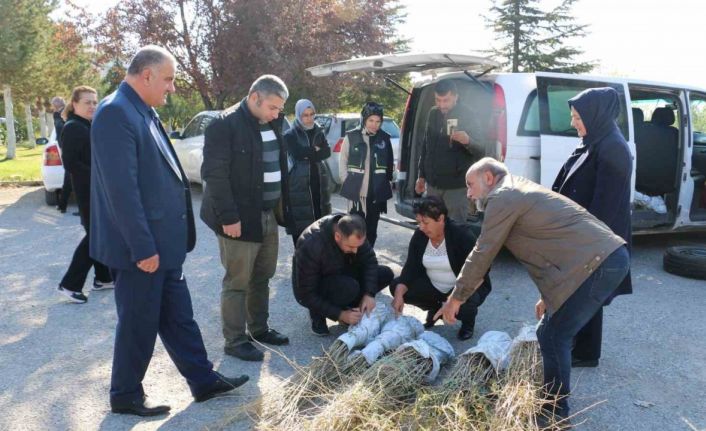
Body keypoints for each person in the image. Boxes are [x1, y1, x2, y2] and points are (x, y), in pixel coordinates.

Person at [90, 45, 248, 417]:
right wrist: (143, 248)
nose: (172, 88)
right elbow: (121, 192)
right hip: (142, 248)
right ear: (146, 75)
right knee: (138, 322)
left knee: (179, 316)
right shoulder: (116, 113)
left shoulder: (141, 109)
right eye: (168, 79)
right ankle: (125, 394)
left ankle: (203, 381)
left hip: (165, 244)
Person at [437, 158, 629, 423]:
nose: (469, 193)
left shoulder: (503, 197)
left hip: (599, 263)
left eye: (471, 185)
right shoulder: (516, 190)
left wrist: (456, 297)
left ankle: (554, 415)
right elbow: (548, 246)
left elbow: (483, 251)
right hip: (601, 260)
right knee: (551, 331)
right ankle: (553, 407)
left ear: (489, 179)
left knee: (552, 335)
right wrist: (548, 297)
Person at [201, 75, 291, 362]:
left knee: (262, 277)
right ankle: (235, 341)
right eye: (273, 107)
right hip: (237, 219)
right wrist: (228, 217)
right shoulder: (223, 125)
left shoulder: (272, 122)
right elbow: (214, 175)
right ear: (255, 98)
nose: (277, 114)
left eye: (279, 109)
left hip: (267, 215)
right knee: (237, 282)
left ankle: (259, 329)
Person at [552, 87, 633, 369]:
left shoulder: (613, 148)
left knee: (589, 293)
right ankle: (583, 347)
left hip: (597, 239)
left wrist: (583, 242)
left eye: (577, 117)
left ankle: (586, 352)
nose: (573, 122)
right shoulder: (594, 140)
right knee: (585, 293)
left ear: (595, 115)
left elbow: (606, 205)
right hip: (583, 234)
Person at [389, 196, 491, 340]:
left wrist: (453, 300)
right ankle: (435, 308)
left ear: (441, 219)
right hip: (434, 286)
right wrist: (398, 296)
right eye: (419, 222)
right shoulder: (420, 236)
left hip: (462, 288)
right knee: (397, 286)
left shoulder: (461, 235)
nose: (421, 227)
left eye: (426, 222)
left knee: (467, 301)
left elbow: (480, 272)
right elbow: (410, 269)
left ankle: (468, 322)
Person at [293, 213, 394, 336]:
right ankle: (317, 314)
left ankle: (351, 308)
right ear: (337, 236)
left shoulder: (354, 229)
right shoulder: (311, 244)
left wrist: (369, 294)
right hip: (315, 284)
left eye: (358, 246)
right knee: (349, 287)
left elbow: (370, 261)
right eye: (351, 246)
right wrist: (340, 314)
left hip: (342, 272)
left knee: (385, 274)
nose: (355, 251)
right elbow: (306, 293)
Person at [56, 86, 113, 303]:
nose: (92, 106)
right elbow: (70, 163)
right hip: (88, 191)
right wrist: (99, 176)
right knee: (95, 236)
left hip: (95, 190)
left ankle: (103, 278)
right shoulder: (73, 127)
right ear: (75, 103)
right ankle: (69, 284)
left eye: (94, 102)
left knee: (98, 233)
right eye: (87, 102)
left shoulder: (85, 125)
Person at [414, 80, 484, 222]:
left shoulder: (468, 114)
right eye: (438, 100)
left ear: (456, 97)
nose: (441, 105)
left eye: (446, 100)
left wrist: (468, 141)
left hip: (456, 188)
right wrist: (421, 175)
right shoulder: (433, 113)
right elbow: (426, 146)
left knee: (456, 231)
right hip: (433, 185)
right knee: (433, 227)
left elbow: (481, 150)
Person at [338, 101, 394, 246]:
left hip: (375, 193)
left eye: (378, 121)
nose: (374, 124)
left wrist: (386, 183)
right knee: (354, 229)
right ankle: (354, 259)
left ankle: (367, 258)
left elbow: (389, 164)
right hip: (356, 193)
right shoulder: (352, 137)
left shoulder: (384, 138)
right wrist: (346, 180)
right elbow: (342, 160)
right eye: (371, 120)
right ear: (364, 119)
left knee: (371, 230)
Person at [283, 99, 331, 245]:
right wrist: (314, 150)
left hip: (318, 182)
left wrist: (309, 153)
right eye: (305, 115)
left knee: (321, 226)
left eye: (311, 114)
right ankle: (301, 264)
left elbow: (326, 152)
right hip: (299, 184)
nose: (309, 118)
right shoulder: (290, 134)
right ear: (299, 115)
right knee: (301, 231)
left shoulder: (319, 131)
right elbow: (297, 153)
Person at [52, 96, 72, 213]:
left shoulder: (60, 115)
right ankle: (62, 204)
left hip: (67, 147)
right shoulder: (61, 115)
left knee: (69, 176)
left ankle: (62, 204)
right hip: (66, 147)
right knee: (69, 176)